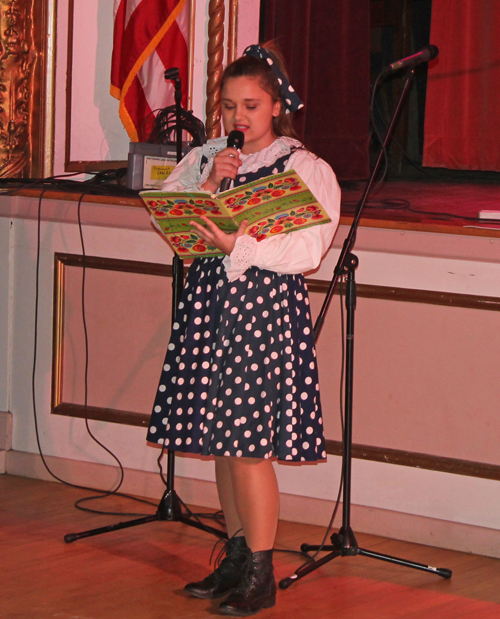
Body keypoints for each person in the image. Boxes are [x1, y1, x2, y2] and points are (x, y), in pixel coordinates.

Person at [147, 43, 341, 616]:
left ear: (277, 105)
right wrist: (208, 184)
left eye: (251, 106)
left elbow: (308, 249)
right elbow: (171, 217)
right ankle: (236, 557)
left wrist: (241, 244)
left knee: (249, 444)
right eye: (230, 106)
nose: (239, 118)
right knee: (223, 444)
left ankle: (261, 572)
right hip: (210, 307)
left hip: (263, 314)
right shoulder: (212, 157)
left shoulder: (304, 166)